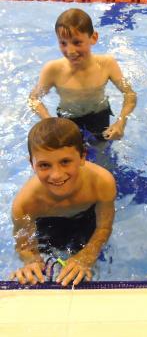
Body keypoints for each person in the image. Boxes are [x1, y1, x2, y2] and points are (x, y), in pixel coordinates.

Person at [10, 118, 116, 286]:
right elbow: (24, 246)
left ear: (82, 157)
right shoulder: (26, 204)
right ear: (32, 165)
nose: (56, 175)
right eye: (44, 165)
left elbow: (104, 227)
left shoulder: (102, 183)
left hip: (87, 216)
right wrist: (31, 263)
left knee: (88, 274)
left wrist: (87, 255)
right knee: (44, 276)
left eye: (65, 162)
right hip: (47, 223)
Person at [28, 8, 137, 141]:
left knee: (102, 154)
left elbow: (129, 93)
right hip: (68, 119)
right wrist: (49, 121)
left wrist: (121, 122)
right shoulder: (53, 69)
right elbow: (33, 99)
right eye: (63, 43)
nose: (70, 51)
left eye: (77, 42)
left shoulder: (107, 64)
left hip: (99, 115)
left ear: (94, 38)